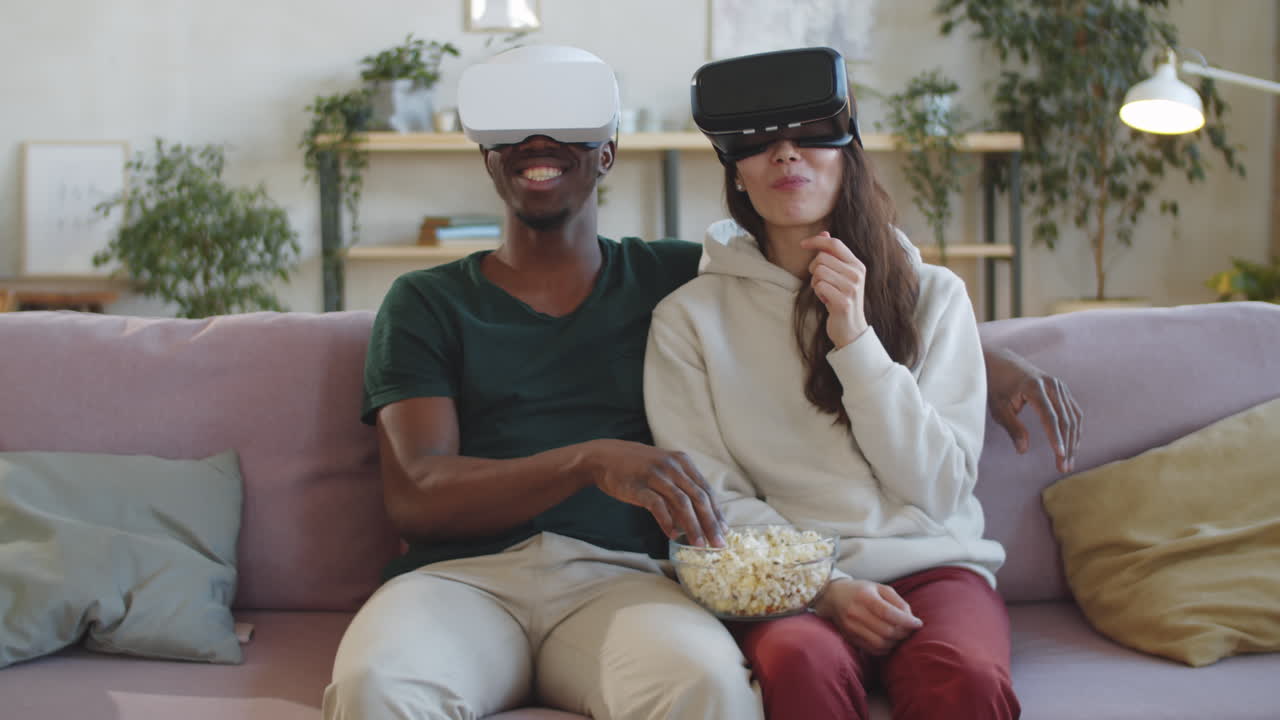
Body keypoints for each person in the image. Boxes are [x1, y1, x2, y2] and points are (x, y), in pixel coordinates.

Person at [324, 45, 1079, 720]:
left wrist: (988, 355)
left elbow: (819, 276)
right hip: (458, 583)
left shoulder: (674, 276)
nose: (538, 148)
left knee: (711, 690)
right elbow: (417, 497)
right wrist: (591, 460)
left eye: (564, 129)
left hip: (621, 580)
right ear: (487, 157)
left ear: (609, 152)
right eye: (514, 134)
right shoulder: (430, 303)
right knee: (377, 690)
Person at [643, 47, 1059, 720]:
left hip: (935, 566)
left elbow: (941, 486)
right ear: (736, 173)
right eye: (760, 142)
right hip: (787, 582)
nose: (786, 155)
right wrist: (825, 587)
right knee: (801, 666)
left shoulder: (935, 297)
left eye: (811, 136)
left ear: (850, 155)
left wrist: (856, 342)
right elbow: (714, 499)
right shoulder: (687, 321)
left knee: (968, 680)